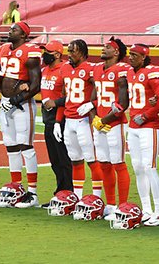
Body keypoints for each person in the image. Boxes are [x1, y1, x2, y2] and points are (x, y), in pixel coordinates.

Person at [0, 22, 42, 207]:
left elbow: (35, 84)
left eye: (14, 29)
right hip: (4, 102)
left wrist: (16, 99)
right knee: (11, 146)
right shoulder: (4, 49)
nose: (10, 31)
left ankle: (32, 193)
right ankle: (16, 188)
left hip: (22, 105)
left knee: (26, 146)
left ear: (24, 35)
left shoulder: (30, 51)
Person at [87, 38, 132, 218]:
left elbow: (123, 103)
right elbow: (92, 99)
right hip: (100, 123)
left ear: (116, 52)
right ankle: (111, 204)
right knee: (104, 164)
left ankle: (123, 206)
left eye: (108, 47)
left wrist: (103, 120)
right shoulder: (97, 69)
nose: (103, 49)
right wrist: (95, 120)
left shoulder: (122, 70)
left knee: (118, 164)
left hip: (115, 123)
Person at [53, 39, 103, 200]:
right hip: (69, 120)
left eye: (72, 51)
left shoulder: (90, 69)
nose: (69, 54)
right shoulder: (65, 68)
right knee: (75, 160)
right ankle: (77, 197)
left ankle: (96, 198)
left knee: (91, 159)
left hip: (84, 121)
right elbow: (63, 96)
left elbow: (102, 92)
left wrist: (92, 104)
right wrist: (57, 121)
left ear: (81, 52)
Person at [127, 44, 159, 226]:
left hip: (149, 126)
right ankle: (146, 210)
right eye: (130, 54)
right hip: (133, 126)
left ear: (144, 57)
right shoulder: (130, 72)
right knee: (137, 167)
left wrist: (146, 115)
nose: (131, 58)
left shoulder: (151, 72)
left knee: (149, 167)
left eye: (135, 55)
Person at [39, 40, 72, 196]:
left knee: (63, 158)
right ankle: (60, 191)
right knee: (54, 160)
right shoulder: (45, 70)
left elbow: (70, 96)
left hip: (61, 118)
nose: (44, 55)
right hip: (48, 119)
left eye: (48, 52)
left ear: (58, 54)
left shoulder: (65, 69)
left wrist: (56, 105)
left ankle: (69, 192)